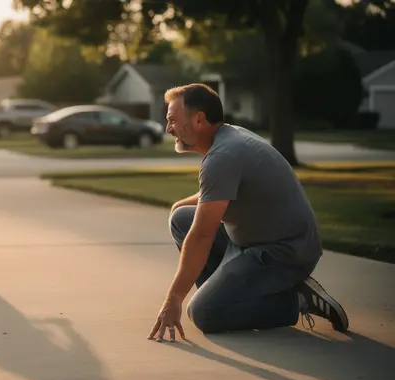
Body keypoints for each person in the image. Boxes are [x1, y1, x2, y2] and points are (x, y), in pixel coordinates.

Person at [147, 83, 349, 342]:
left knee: (204, 313)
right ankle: (228, 297)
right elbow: (216, 193)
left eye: (173, 120)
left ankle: (295, 299)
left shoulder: (223, 155)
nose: (168, 129)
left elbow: (201, 236)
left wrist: (172, 299)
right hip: (251, 242)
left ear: (199, 120)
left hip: (284, 253)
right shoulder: (229, 138)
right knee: (181, 218)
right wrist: (180, 205)